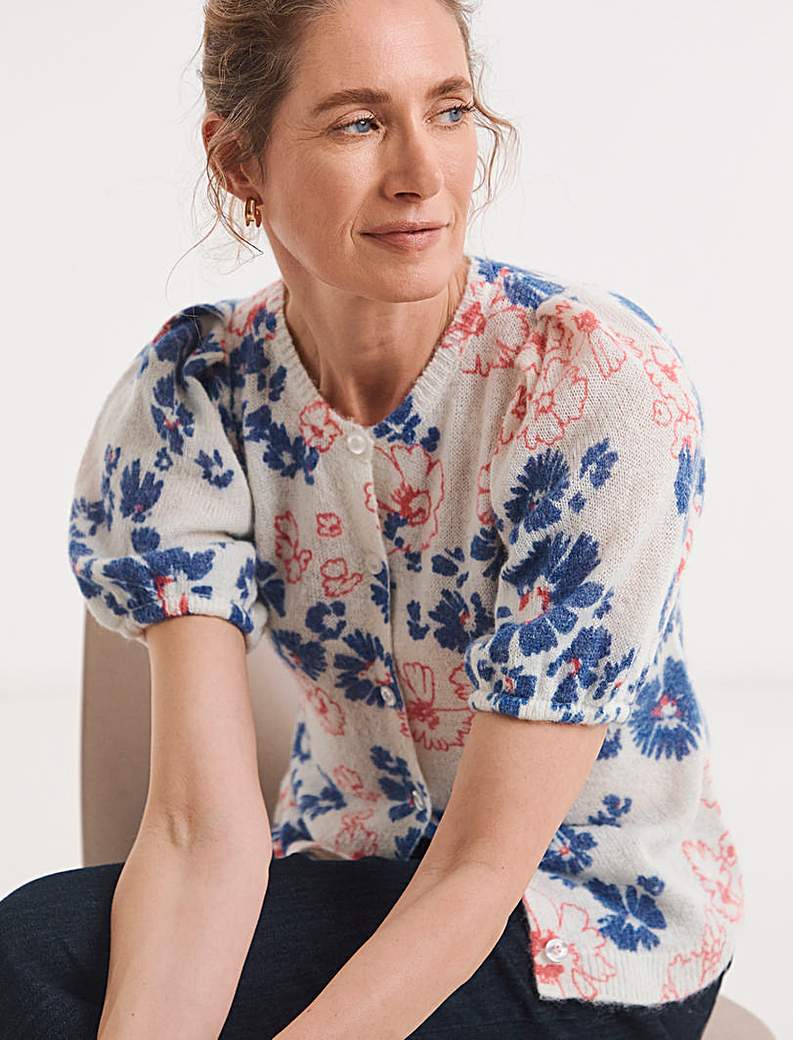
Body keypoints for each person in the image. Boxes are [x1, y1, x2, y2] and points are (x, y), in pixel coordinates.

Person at [0, 1, 743, 1037]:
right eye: (359, 122)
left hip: (578, 930)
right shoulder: (195, 395)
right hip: (354, 868)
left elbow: (480, 870)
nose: (421, 172)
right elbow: (199, 834)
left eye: (449, 110)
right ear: (239, 161)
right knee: (30, 946)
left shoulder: (589, 386)